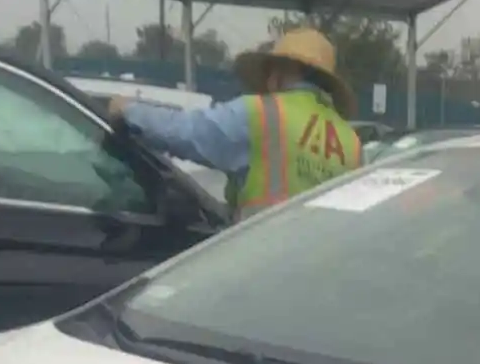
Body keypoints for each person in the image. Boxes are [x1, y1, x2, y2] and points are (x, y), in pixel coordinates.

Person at [109, 28, 363, 221]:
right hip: (321, 273)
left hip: (261, 264)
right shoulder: (351, 142)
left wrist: (129, 110)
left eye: (270, 70)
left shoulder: (262, 113)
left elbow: (187, 132)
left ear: (282, 71)